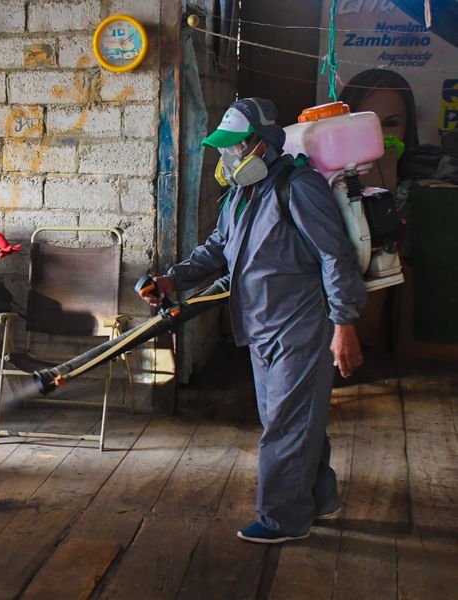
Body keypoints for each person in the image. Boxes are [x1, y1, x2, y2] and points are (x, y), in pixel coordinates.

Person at [141, 98, 367, 543]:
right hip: (262, 327)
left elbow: (335, 255)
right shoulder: (241, 195)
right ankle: (319, 498)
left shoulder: (299, 186)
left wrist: (344, 324)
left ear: (262, 144)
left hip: (300, 326)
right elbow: (217, 249)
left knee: (285, 424)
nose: (228, 155)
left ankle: (284, 518)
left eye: (236, 145)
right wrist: (171, 280)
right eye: (224, 147)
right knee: (295, 420)